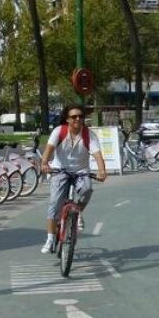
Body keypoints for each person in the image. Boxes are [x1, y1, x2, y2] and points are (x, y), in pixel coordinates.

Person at [39, 105, 107, 253]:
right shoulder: (59, 131)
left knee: (87, 189)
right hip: (60, 170)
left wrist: (102, 171)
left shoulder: (89, 135)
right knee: (55, 203)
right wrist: (44, 163)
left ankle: (77, 212)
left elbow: (97, 155)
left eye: (81, 116)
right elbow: (49, 149)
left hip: (81, 171)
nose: (78, 119)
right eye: (74, 117)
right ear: (67, 119)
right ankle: (50, 239)